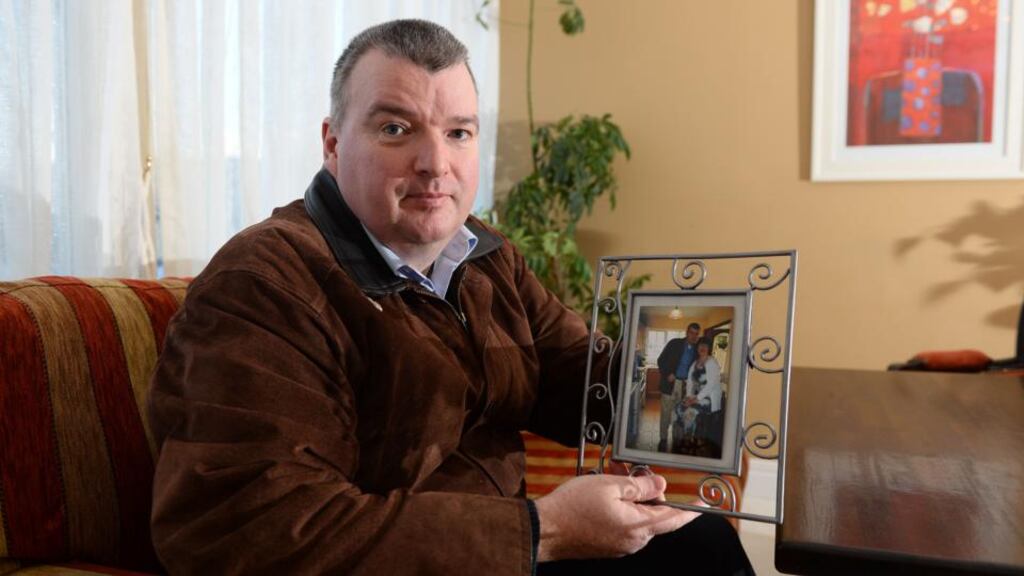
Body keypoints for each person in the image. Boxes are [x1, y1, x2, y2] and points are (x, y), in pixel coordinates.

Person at [146, 19, 754, 575]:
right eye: (395, 129)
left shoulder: (484, 255)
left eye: (458, 132)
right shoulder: (263, 285)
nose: (436, 164)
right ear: (332, 144)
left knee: (702, 541)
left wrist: (691, 371)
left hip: (501, 552)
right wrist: (546, 530)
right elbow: (249, 527)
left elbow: (577, 375)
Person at [655, 322, 701, 451]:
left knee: (679, 413)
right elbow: (660, 360)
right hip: (670, 383)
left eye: (696, 334)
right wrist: (667, 374)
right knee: (666, 412)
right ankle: (663, 439)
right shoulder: (674, 343)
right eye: (691, 333)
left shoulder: (698, 350)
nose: (693, 336)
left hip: (686, 386)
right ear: (687, 332)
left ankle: (676, 438)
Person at [681, 338, 725, 457]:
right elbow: (690, 381)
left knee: (690, 411)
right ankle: (688, 437)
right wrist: (689, 397)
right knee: (680, 408)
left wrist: (695, 399)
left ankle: (693, 441)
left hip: (709, 399)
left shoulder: (712, 362)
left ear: (709, 348)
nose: (703, 348)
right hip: (698, 396)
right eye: (701, 345)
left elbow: (710, 385)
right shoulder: (695, 363)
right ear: (697, 347)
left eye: (705, 346)